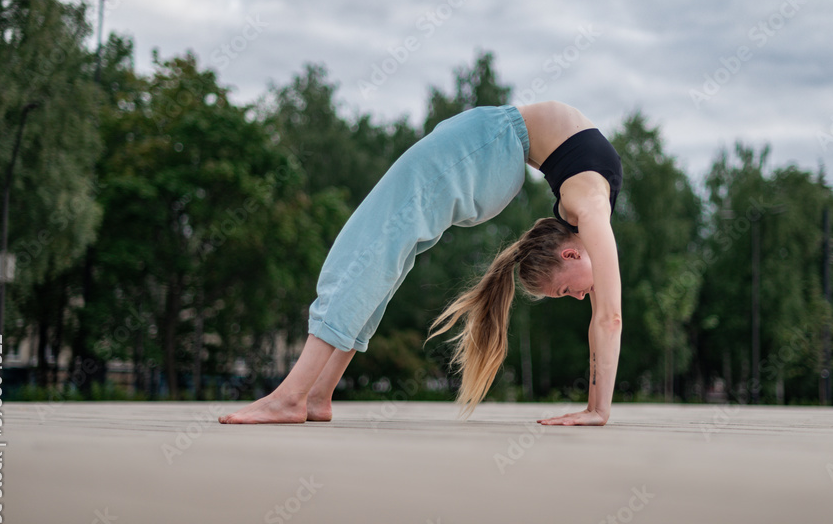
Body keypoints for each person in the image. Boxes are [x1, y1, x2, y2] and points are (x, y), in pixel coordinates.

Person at [219, 100, 623, 427]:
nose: (578, 297)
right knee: (385, 250)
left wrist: (597, 410)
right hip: (492, 147)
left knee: (375, 241)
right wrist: (596, 410)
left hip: (491, 147)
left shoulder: (587, 212)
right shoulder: (589, 210)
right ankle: (316, 394)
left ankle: (292, 396)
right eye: (566, 290)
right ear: (570, 253)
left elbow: (606, 319)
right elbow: (609, 318)